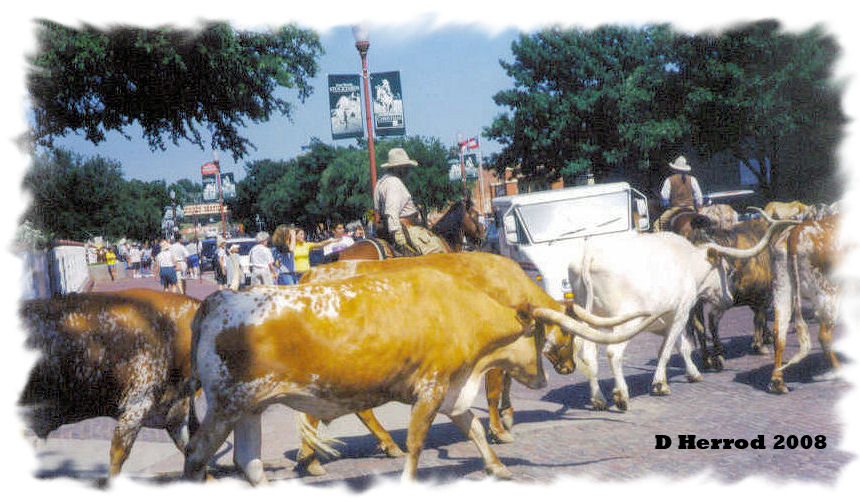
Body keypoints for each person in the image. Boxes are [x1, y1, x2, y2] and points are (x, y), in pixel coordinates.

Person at [373, 147, 448, 256]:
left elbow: (378, 210)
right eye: (406, 167)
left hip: (389, 229)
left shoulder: (381, 182)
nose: (408, 170)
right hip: (404, 230)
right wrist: (399, 237)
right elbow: (391, 212)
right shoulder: (394, 183)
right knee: (438, 249)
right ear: (399, 168)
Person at [656, 155, 705, 231]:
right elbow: (699, 196)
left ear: (675, 169)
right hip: (690, 207)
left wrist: (666, 205)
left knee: (657, 224)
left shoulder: (669, 180)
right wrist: (698, 207)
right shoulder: (692, 179)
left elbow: (664, 196)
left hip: (675, 208)